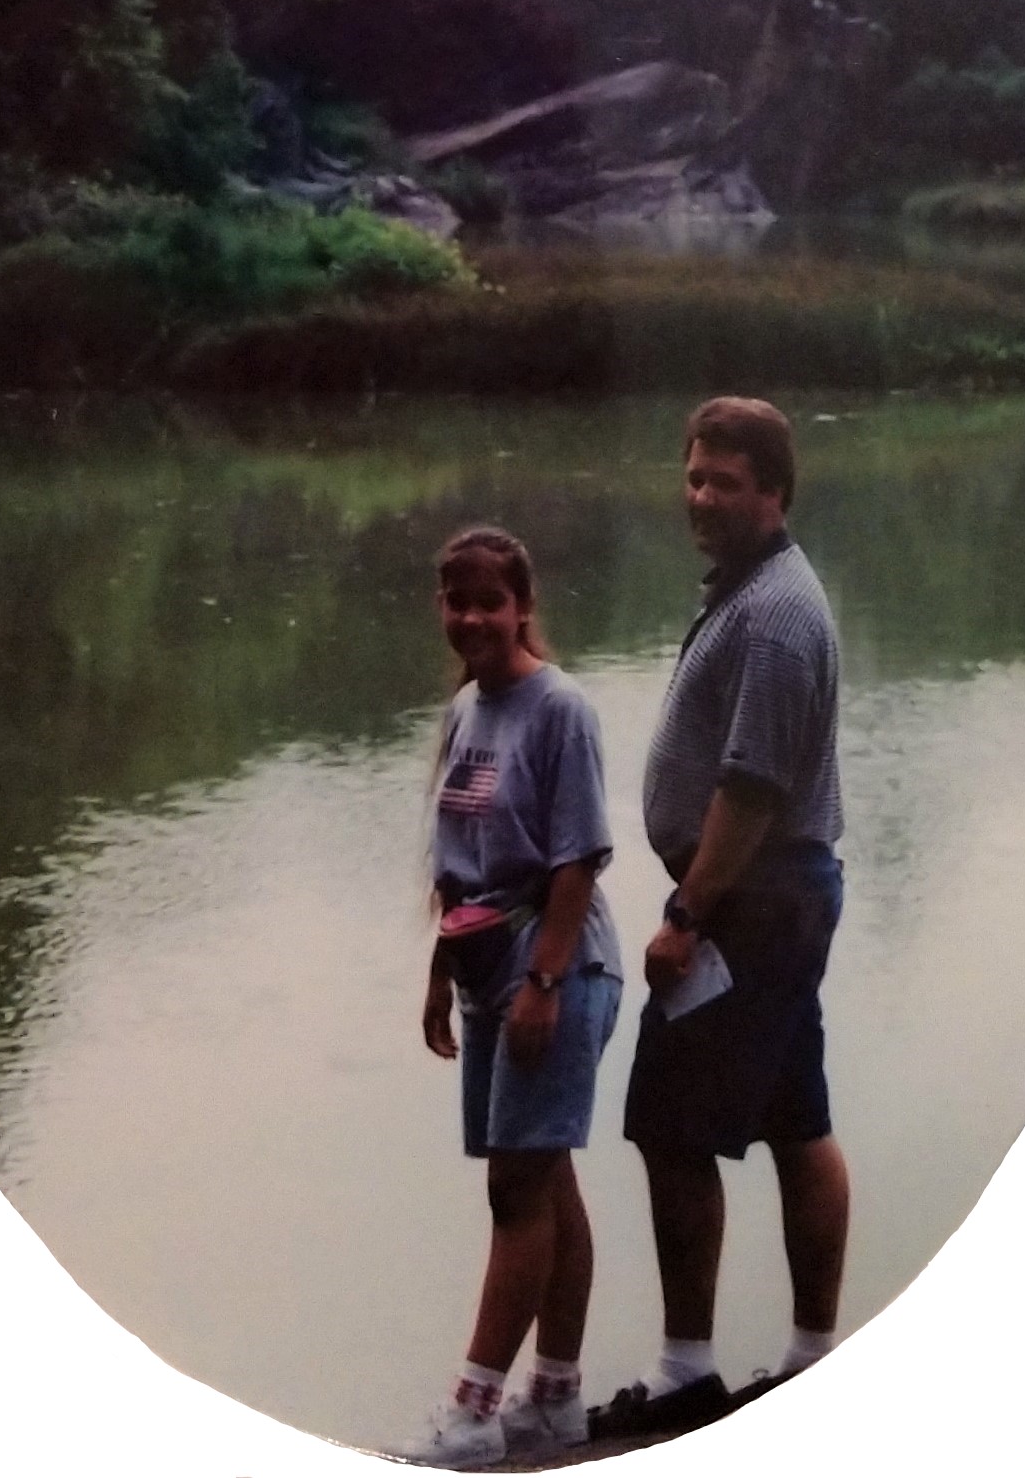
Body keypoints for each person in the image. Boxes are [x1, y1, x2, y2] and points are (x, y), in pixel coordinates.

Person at [591, 398, 848, 1442]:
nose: (700, 497)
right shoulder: (755, 590)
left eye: (725, 483)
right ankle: (811, 1361)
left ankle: (687, 1375)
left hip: (751, 903)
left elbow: (749, 788)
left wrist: (685, 916)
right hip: (774, 899)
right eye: (694, 476)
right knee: (796, 1123)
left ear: (774, 493)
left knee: (668, 1126)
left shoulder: (776, 617)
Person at [404, 527, 624, 1470]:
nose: (472, 620)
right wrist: (440, 975)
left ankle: (474, 1411)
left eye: (489, 603)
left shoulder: (559, 709)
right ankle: (557, 1401)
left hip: (557, 968)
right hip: (487, 969)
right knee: (545, 1177)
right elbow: (458, 869)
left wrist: (544, 983)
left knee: (516, 1186)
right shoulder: (467, 709)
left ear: (523, 607)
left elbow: (577, 861)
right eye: (457, 602)